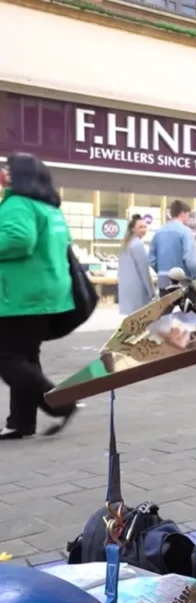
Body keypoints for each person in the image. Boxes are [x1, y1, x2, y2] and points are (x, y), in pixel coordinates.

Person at [0, 154, 78, 440]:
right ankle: (21, 422)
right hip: (44, 294)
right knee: (26, 358)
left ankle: (59, 402)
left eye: (7, 169)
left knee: (8, 359)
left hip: (19, 296)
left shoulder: (18, 204)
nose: (3, 173)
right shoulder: (49, 207)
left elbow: (19, 239)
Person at [149, 200, 196, 295]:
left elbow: (152, 260)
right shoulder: (185, 232)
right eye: (188, 214)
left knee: (166, 309)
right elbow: (191, 260)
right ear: (183, 213)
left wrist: (162, 273)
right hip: (182, 283)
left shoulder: (158, 232)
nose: (188, 218)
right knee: (186, 309)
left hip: (163, 283)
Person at [117, 214, 154, 314]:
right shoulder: (138, 244)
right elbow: (144, 270)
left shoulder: (125, 244)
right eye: (140, 227)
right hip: (138, 290)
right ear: (133, 229)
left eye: (145, 227)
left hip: (126, 289)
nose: (144, 229)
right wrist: (151, 292)